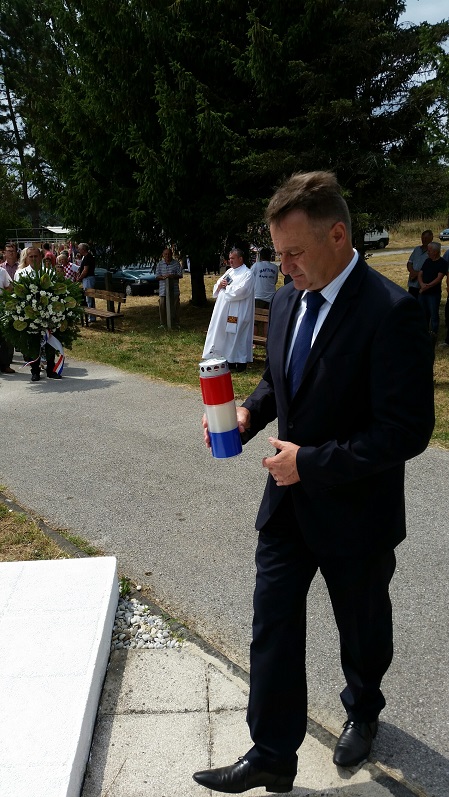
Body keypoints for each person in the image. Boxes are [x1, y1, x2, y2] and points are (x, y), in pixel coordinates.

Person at [194, 171, 434, 794]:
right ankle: (273, 752)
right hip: (287, 503)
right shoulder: (290, 299)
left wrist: (313, 463)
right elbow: (280, 380)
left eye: (294, 252)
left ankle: (364, 708)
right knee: (272, 621)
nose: (284, 266)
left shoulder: (392, 313)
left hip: (356, 510)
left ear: (338, 236)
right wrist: (249, 413)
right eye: (278, 254)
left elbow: (406, 431)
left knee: (361, 626)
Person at [202, 248, 255, 372]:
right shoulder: (229, 271)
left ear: (240, 259)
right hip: (225, 310)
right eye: (229, 258)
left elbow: (243, 290)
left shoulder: (247, 273)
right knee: (227, 336)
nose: (230, 261)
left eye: (233, 258)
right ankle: (228, 360)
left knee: (238, 335)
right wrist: (220, 285)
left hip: (239, 310)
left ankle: (240, 362)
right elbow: (218, 284)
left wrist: (227, 288)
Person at [16, 247, 59, 381]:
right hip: (30, 314)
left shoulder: (49, 272)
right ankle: (35, 371)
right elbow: (17, 293)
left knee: (49, 341)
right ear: (27, 258)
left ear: (41, 257)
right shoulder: (21, 273)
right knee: (33, 343)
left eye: (36, 256)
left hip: (47, 313)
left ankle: (51, 369)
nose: (34, 259)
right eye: (31, 257)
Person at [418, 241, 447, 342]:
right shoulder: (427, 261)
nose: (428, 252)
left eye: (429, 251)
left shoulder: (443, 263)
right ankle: (423, 332)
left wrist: (426, 287)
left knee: (434, 314)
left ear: (435, 252)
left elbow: (438, 278)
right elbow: (420, 273)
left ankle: (434, 334)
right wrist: (421, 284)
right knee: (422, 313)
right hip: (423, 292)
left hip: (433, 294)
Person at [155, 247, 183, 328]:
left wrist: (172, 276)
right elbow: (157, 276)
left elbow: (180, 275)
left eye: (169, 254)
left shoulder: (176, 263)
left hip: (174, 290)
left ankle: (176, 323)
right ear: (163, 255)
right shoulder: (160, 264)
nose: (167, 255)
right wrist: (164, 277)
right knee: (162, 306)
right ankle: (163, 323)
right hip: (163, 290)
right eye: (166, 254)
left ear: (171, 254)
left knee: (175, 306)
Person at [406, 229, 433, 298]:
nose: (424, 240)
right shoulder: (417, 249)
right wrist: (412, 272)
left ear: (431, 238)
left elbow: (432, 268)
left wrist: (417, 274)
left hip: (424, 285)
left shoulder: (433, 251)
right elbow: (409, 262)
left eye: (426, 238)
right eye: (423, 238)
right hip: (412, 283)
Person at [0, 265, 15, 374]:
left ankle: (5, 365)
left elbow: (10, 286)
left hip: (1, 307)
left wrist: (4, 296)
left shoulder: (2, 271)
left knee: (5, 338)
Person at [76, 243, 96, 322]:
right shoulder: (85, 257)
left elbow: (85, 270)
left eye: (79, 249)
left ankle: (91, 317)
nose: (78, 250)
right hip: (86, 279)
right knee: (88, 298)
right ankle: (91, 316)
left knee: (89, 298)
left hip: (88, 279)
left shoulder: (88, 257)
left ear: (83, 249)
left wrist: (80, 278)